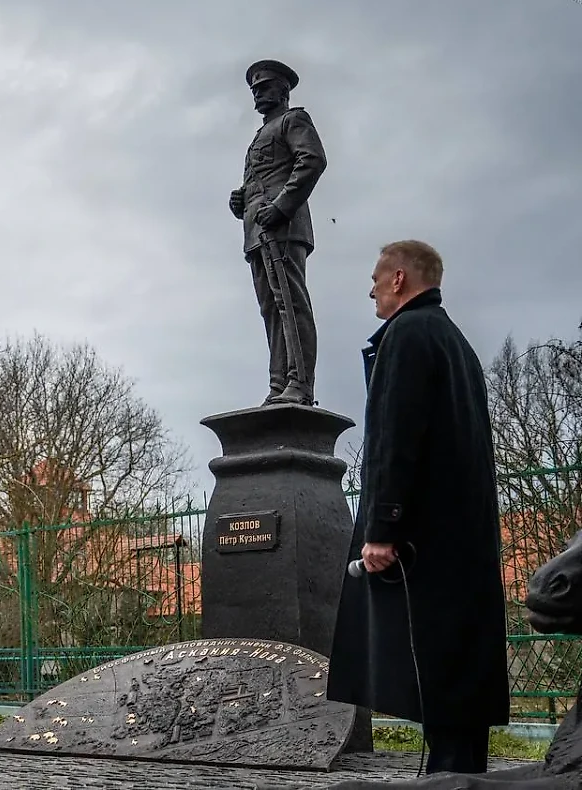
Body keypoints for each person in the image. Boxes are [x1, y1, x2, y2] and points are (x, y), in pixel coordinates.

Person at [326, 240, 509, 774]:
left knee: (432, 670)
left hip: (420, 541)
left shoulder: (405, 336)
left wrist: (382, 528)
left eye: (377, 280)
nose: (371, 290)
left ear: (400, 279)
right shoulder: (454, 340)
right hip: (460, 538)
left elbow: (394, 440)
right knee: (458, 679)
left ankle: (447, 781)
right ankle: (457, 774)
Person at [229, 59, 328, 406]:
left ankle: (300, 383)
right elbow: (261, 180)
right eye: (254, 89)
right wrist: (240, 200)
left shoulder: (293, 120)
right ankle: (278, 384)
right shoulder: (258, 136)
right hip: (257, 233)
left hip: (283, 229)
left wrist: (282, 206)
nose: (257, 93)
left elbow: (312, 160)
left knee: (291, 304)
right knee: (271, 310)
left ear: (283, 90)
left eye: (264, 87)